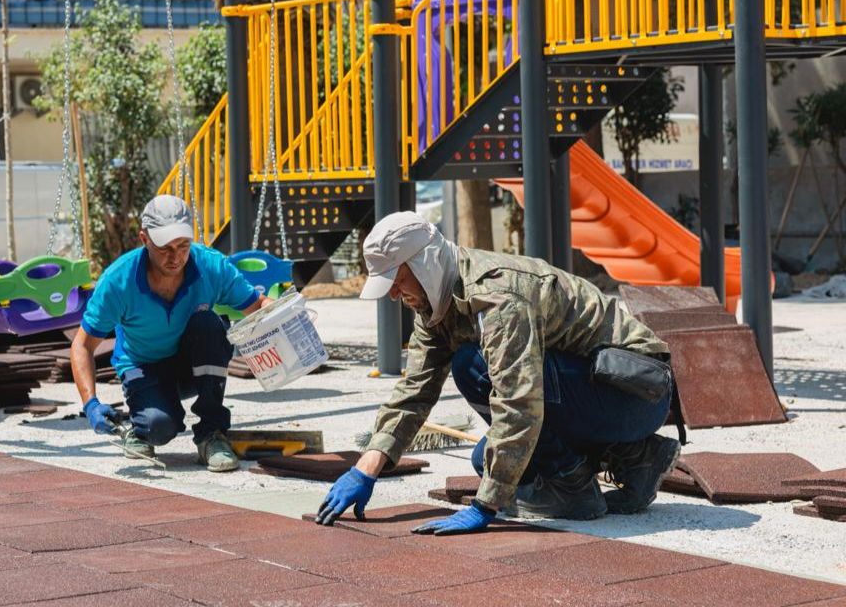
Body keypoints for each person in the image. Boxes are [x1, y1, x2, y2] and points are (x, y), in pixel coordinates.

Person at [316, 212, 681, 534]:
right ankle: (638, 456)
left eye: (397, 280)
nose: (394, 295)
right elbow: (415, 391)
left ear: (424, 263)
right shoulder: (435, 306)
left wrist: (485, 506)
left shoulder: (497, 295)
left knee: (472, 365)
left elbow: (519, 401)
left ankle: (571, 486)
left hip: (636, 392)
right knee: (484, 460)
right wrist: (365, 469)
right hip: (600, 395)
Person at [70, 195, 274, 472]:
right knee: (159, 427)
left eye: (183, 245)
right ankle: (141, 429)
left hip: (191, 366)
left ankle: (212, 434)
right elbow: (82, 346)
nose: (176, 257)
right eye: (165, 248)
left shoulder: (211, 266)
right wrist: (90, 404)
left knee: (209, 324)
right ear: (144, 239)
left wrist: (283, 312)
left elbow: (257, 305)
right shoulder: (118, 281)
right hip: (143, 366)